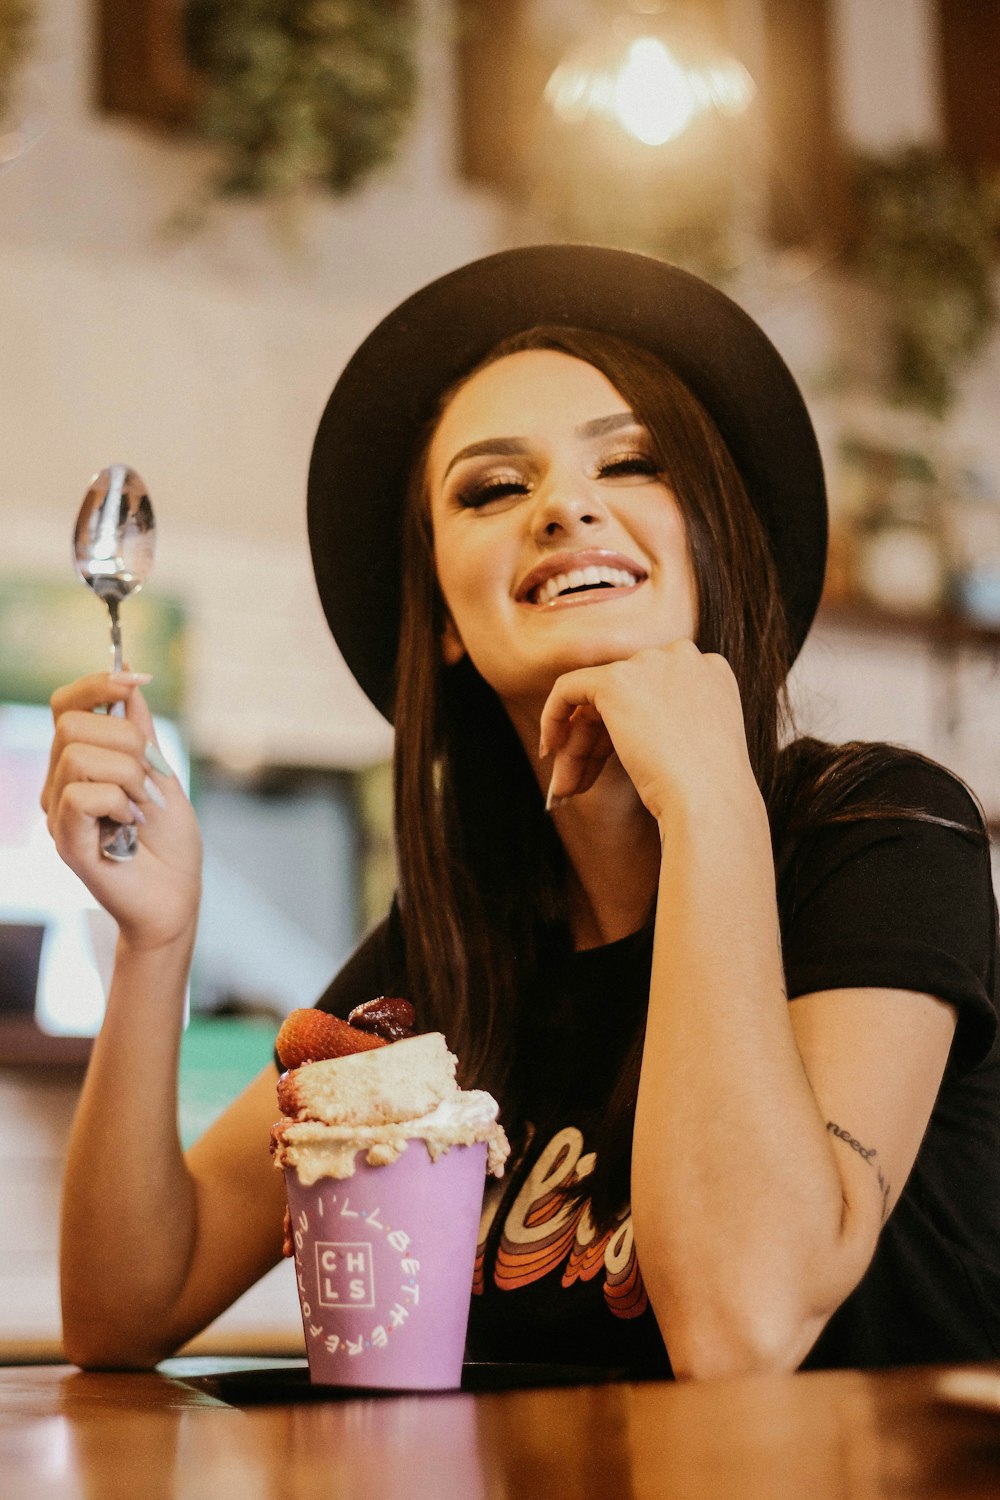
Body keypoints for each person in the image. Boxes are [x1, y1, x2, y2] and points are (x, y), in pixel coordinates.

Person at [45, 246, 1000, 1379]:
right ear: (445, 616)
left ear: (709, 544)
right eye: (494, 487)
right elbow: (128, 1304)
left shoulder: (877, 833)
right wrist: (155, 945)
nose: (564, 507)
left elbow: (744, 1327)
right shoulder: (454, 949)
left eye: (631, 462)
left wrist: (710, 806)